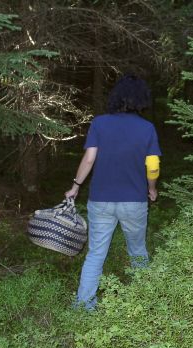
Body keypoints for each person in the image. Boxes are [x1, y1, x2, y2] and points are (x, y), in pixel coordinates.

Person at [65, 74, 161, 310]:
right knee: (137, 250)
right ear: (141, 99)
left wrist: (76, 186)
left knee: (96, 254)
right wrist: (152, 189)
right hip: (134, 201)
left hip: (100, 200)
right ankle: (145, 301)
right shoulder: (147, 128)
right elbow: (153, 166)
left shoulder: (100, 123)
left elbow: (89, 159)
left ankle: (84, 305)